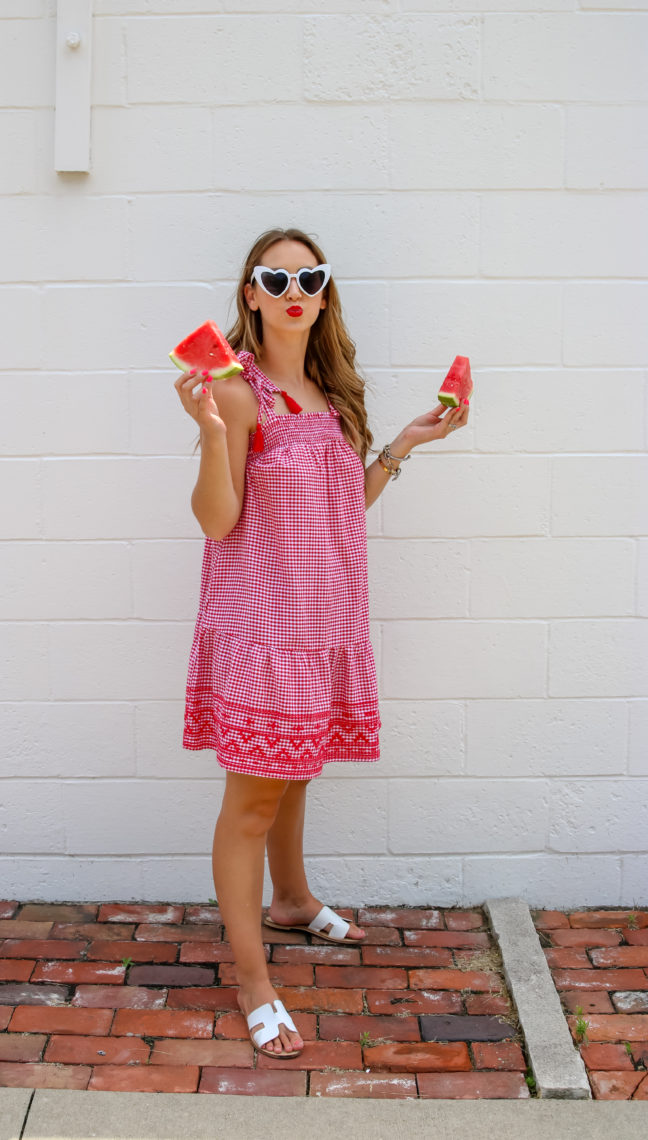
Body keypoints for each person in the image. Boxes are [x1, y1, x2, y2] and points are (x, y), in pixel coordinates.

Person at [173, 227, 469, 1059]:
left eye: (310, 276)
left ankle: (293, 900)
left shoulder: (334, 398)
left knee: (295, 772)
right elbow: (217, 520)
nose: (292, 288)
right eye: (275, 277)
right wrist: (206, 428)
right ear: (251, 295)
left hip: (322, 619)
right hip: (262, 625)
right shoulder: (238, 395)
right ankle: (255, 984)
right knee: (253, 802)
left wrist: (404, 445)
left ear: (325, 292)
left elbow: (340, 512)